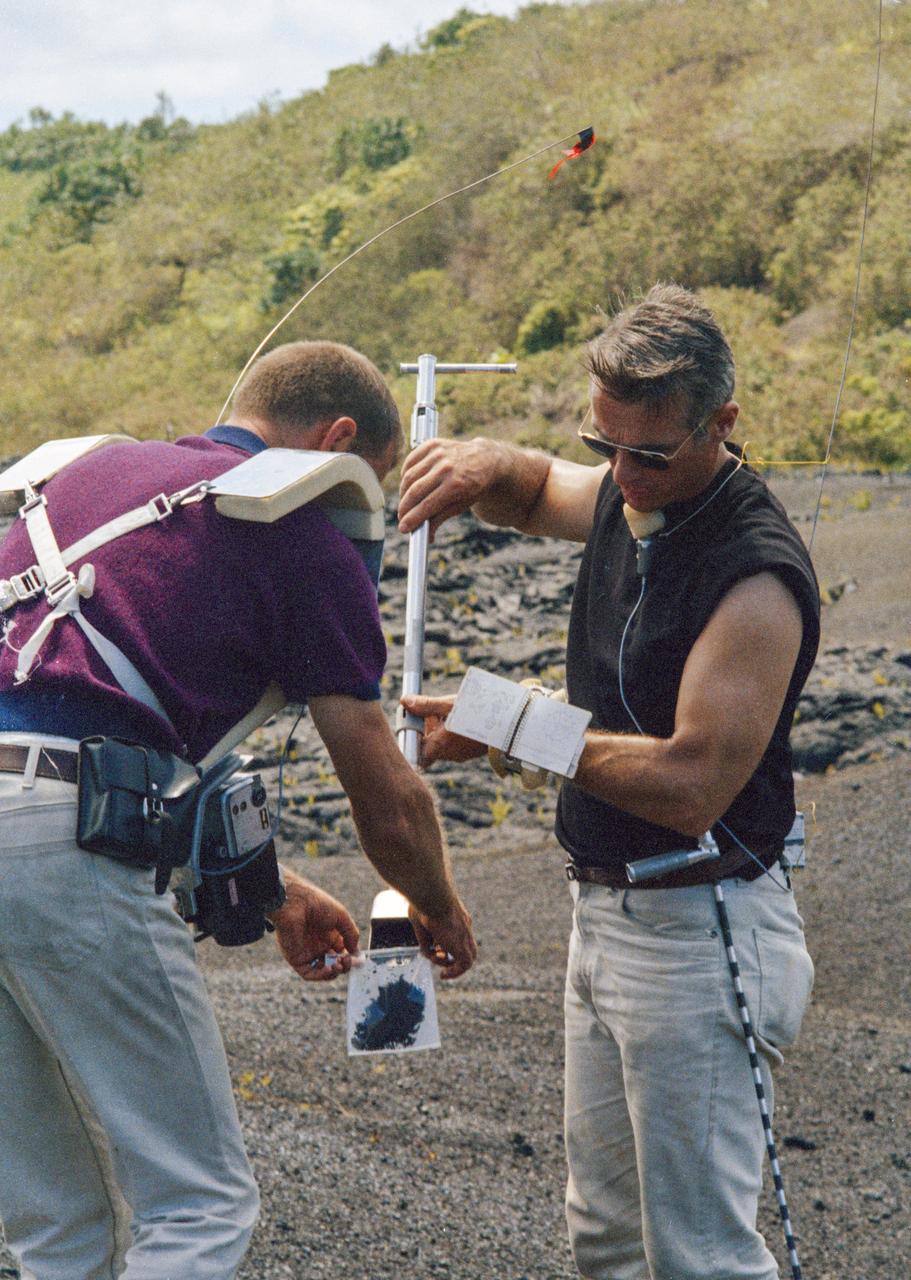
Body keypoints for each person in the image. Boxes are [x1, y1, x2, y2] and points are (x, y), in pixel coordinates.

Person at [0, 339, 476, 1280]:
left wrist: (272, 889)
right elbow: (384, 797)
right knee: (198, 1208)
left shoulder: (74, 480)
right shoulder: (300, 525)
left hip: (46, 805)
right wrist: (434, 904)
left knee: (51, 1225)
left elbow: (87, 712)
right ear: (338, 441)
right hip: (62, 844)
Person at [397, 284, 819, 1280]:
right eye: (607, 447)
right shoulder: (633, 493)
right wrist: (482, 465)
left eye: (649, 455)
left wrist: (504, 722)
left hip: (702, 921)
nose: (623, 477)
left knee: (701, 1252)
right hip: (604, 912)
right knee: (606, 1239)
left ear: (722, 422)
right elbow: (541, 489)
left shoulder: (752, 574)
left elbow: (689, 780)